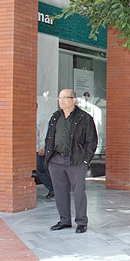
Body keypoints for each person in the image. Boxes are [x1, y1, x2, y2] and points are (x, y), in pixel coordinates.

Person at [45, 89, 98, 234]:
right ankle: (64, 220)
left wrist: (86, 160)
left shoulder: (84, 118)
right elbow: (49, 138)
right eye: (59, 98)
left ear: (73, 100)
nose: (61, 100)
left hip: (76, 160)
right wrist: (49, 159)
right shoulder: (55, 117)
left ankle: (81, 222)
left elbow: (92, 141)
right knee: (60, 192)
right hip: (56, 160)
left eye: (65, 98)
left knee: (79, 192)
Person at [36, 103, 54, 199]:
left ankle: (52, 188)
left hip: (38, 149)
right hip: (27, 149)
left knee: (41, 170)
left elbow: (43, 135)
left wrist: (42, 147)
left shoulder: (40, 119)